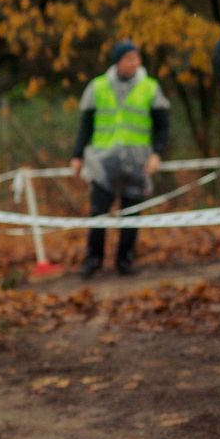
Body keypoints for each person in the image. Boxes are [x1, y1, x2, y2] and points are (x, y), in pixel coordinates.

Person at [71, 38, 170, 277]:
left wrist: (157, 153)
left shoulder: (150, 87)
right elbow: (85, 124)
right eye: (130, 58)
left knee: (131, 214)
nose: (135, 63)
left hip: (137, 162)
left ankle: (125, 261)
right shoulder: (97, 87)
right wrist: (77, 155)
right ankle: (93, 260)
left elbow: (163, 126)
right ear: (118, 61)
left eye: (137, 58)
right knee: (98, 212)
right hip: (103, 161)